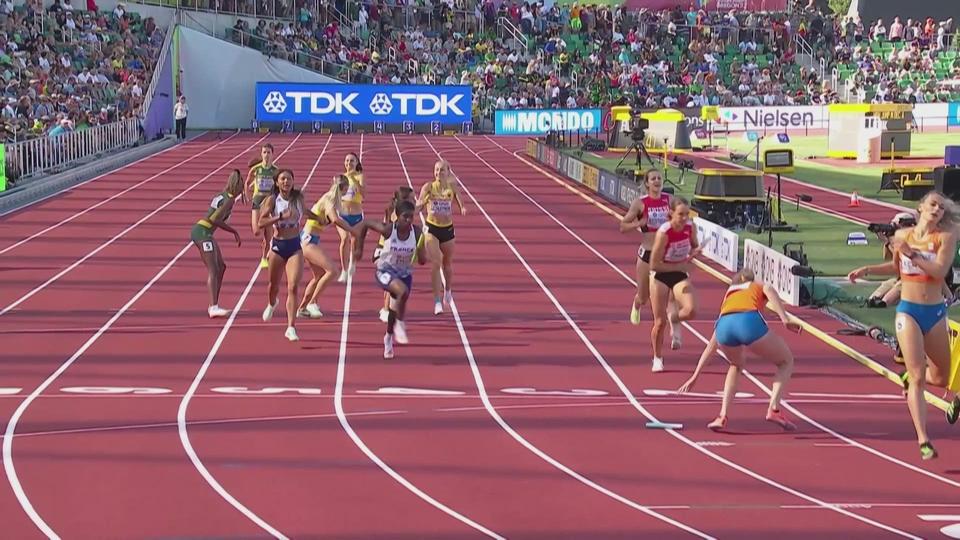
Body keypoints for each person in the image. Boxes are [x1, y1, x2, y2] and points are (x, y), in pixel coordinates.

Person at [847, 191, 960, 460]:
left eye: (941, 208)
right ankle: (923, 439)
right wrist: (868, 269)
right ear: (921, 207)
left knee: (941, 378)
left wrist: (915, 255)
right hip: (908, 311)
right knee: (919, 376)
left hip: (934, 313)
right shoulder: (902, 237)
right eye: (932, 204)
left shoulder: (945, 238)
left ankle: (908, 377)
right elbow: (897, 268)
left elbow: (939, 271)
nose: (937, 210)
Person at [678, 268, 803, 431]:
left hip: (724, 326)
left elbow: (712, 345)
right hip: (748, 321)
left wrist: (695, 376)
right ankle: (774, 409)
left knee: (735, 365)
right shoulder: (756, 285)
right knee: (786, 361)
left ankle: (722, 416)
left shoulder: (729, 295)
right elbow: (769, 289)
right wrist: (785, 319)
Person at [259, 169, 344, 342]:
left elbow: (306, 211)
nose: (286, 182)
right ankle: (271, 303)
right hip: (277, 245)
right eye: (282, 179)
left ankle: (291, 327)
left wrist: (319, 219)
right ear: (277, 182)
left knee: (293, 286)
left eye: (289, 179)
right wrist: (280, 216)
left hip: (294, 246)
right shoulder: (272, 200)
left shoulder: (298, 199)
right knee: (273, 285)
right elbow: (261, 222)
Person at [354, 200, 427, 358]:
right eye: (405, 217)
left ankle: (388, 337)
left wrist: (422, 254)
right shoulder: (388, 230)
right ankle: (400, 324)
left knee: (395, 308)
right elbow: (365, 223)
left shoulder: (417, 233)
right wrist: (359, 248)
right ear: (397, 217)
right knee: (402, 292)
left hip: (404, 274)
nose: (408, 220)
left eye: (411, 217)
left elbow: (422, 259)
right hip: (385, 271)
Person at [619, 169, 682, 346]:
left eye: (659, 178)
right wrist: (638, 223)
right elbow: (622, 226)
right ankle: (637, 304)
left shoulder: (669, 200)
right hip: (646, 254)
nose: (657, 181)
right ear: (647, 183)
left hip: (666, 255)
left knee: (671, 296)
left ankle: (674, 333)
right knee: (644, 296)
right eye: (653, 178)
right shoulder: (640, 203)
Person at [648, 196, 701, 372]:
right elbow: (654, 264)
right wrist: (679, 265)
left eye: (687, 214)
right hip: (660, 275)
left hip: (679, 273)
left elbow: (694, 246)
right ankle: (657, 357)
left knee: (691, 310)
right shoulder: (664, 233)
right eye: (680, 214)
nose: (685, 218)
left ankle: (675, 317)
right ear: (671, 214)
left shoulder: (690, 227)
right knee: (659, 322)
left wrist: (695, 251)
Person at [297, 174, 358, 318]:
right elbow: (335, 219)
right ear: (344, 189)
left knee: (318, 276)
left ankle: (302, 308)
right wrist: (352, 230)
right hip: (308, 241)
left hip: (308, 239)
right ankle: (313, 303)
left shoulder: (331, 199)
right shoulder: (330, 199)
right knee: (333, 271)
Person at [189, 170, 243, 318]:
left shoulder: (222, 195)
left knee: (221, 267)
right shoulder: (230, 199)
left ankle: (214, 304)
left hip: (204, 231)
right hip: (203, 232)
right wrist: (234, 231)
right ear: (238, 186)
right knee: (213, 269)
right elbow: (214, 219)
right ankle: (213, 307)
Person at [418, 159, 466, 315]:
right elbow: (418, 205)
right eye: (436, 170)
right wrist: (423, 202)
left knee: (447, 265)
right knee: (436, 263)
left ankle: (448, 290)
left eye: (442, 170)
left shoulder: (452, 187)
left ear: (448, 172)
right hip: (431, 228)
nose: (438, 173)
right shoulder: (428, 187)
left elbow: (459, 198)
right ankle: (437, 301)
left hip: (447, 229)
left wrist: (462, 207)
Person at [376, 186, 419, 322]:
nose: (414, 200)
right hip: (387, 247)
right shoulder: (396, 214)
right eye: (412, 198)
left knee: (394, 280)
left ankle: (387, 308)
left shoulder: (403, 211)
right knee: (392, 277)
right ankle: (386, 309)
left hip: (392, 247)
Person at [246, 143, 279, 269]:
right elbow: (247, 182)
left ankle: (264, 257)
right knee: (256, 231)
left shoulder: (276, 170)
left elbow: (280, 186)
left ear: (272, 154)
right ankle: (265, 245)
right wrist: (248, 194)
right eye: (264, 152)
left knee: (268, 235)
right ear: (261, 154)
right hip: (257, 201)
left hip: (269, 203)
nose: (266, 155)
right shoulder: (256, 169)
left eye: (268, 152)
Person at [337, 152, 365, 283]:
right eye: (347, 161)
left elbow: (364, 194)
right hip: (342, 215)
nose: (349, 163)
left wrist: (354, 181)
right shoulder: (340, 178)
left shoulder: (360, 177)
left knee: (354, 241)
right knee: (344, 240)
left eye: (352, 161)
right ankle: (344, 269)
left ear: (356, 163)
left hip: (356, 215)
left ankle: (352, 263)